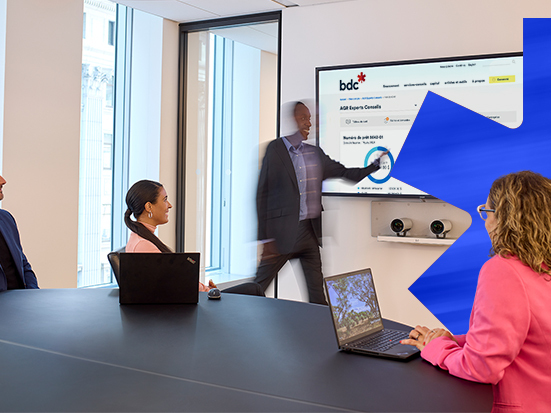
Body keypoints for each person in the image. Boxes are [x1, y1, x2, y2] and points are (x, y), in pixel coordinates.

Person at [401, 171, 551, 412]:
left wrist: (436, 349)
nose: (485, 222)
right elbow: (527, 341)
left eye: (487, 212)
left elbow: (481, 367)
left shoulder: (505, 271)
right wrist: (452, 341)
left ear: (505, 219)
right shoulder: (543, 267)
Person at [255, 101, 387, 304]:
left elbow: (345, 173)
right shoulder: (275, 150)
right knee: (257, 287)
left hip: (309, 235)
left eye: (310, 118)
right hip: (281, 236)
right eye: (303, 118)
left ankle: (322, 333)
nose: (309, 123)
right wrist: (266, 238)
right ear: (292, 120)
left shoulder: (315, 154)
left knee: (318, 297)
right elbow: (261, 193)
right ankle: (226, 317)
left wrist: (375, 166)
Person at [124, 179, 264, 296]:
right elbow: (176, 286)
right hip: (190, 308)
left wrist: (207, 289)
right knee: (253, 289)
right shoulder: (143, 245)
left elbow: (174, 280)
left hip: (193, 300)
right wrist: (208, 291)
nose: (170, 205)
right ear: (149, 206)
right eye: (165, 200)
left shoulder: (141, 239)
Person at [0, 174, 39, 292]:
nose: (3, 181)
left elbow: (22, 262)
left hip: (20, 302)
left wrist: (33, 294)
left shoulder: (6, 218)